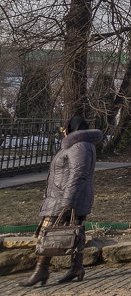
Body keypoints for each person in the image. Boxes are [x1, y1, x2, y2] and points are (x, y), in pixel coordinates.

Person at [23, 116, 101, 286]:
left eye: (64, 128)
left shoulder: (79, 146)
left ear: (72, 129)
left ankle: (41, 270)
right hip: (67, 197)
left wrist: (68, 200)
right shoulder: (79, 145)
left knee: (48, 232)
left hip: (64, 198)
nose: (63, 131)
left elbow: (78, 174)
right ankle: (76, 267)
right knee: (76, 232)